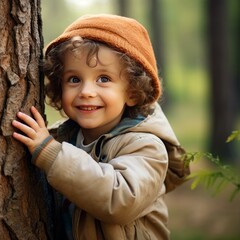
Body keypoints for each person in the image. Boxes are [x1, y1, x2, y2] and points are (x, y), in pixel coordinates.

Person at [12, 14, 190, 239]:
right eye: (74, 79)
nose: (86, 91)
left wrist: (51, 154)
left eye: (103, 79)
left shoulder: (147, 147)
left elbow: (120, 200)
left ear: (133, 92)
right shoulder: (63, 138)